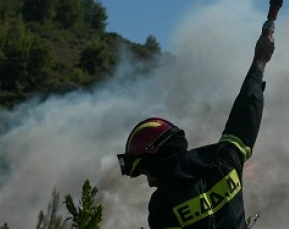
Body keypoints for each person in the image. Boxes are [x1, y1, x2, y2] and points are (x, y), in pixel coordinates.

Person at [118, 19, 276, 229]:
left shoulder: (163, 204)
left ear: (158, 156)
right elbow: (247, 109)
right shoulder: (225, 161)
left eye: (147, 171)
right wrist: (260, 61)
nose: (150, 182)